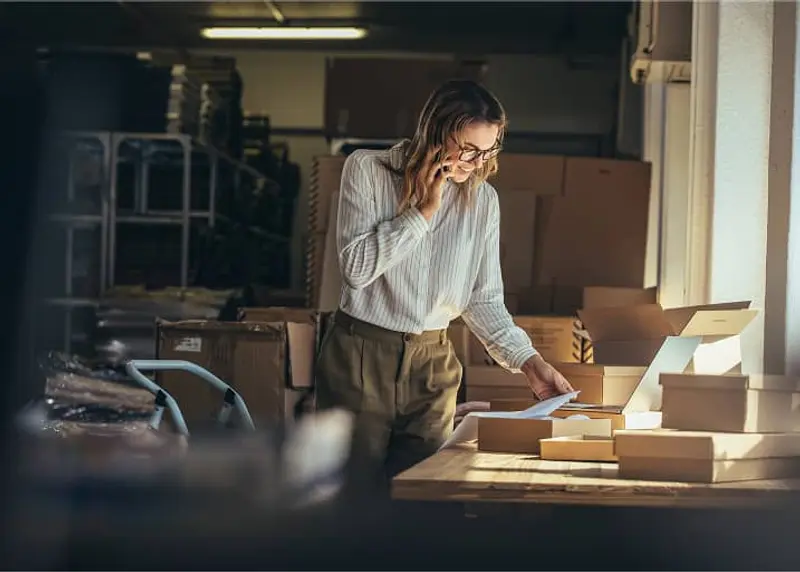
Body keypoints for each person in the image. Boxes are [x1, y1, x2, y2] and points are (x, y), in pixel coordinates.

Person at [315, 79, 575, 494]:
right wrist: (423, 212)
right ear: (436, 131)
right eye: (469, 149)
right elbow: (357, 268)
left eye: (488, 151)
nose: (477, 162)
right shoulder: (367, 169)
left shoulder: (484, 201)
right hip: (361, 355)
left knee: (425, 495)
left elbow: (483, 299)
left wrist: (530, 362)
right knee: (352, 497)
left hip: (434, 363)